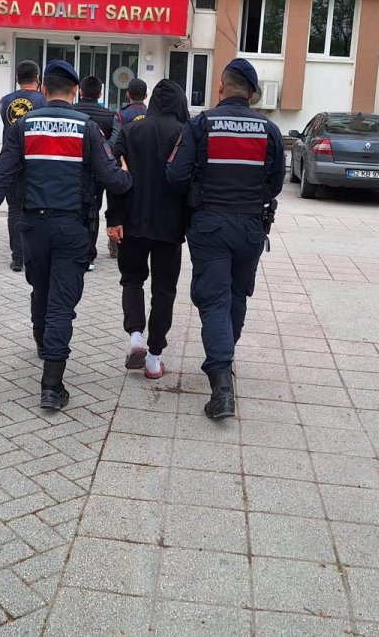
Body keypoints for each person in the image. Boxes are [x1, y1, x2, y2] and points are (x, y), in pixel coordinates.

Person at [0, 60, 131, 410]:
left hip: (32, 227)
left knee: (41, 289)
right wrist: (126, 173)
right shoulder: (87, 127)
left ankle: (43, 342)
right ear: (75, 91)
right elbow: (113, 180)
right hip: (72, 228)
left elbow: (2, 174)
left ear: (44, 90)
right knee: (62, 303)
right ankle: (51, 385)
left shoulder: (23, 125)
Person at [167, 58, 284, 419]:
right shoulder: (269, 129)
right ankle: (225, 358)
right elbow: (276, 184)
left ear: (221, 86)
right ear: (252, 93)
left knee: (214, 299)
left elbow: (176, 175)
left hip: (210, 225)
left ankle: (221, 389)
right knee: (236, 294)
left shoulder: (201, 124)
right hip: (251, 226)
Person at [106, 80, 189, 380]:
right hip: (170, 226)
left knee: (132, 280)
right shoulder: (184, 133)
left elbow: (114, 176)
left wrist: (113, 218)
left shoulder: (131, 130)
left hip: (132, 223)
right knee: (164, 290)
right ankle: (154, 359)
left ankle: (135, 338)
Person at [0, 60, 47, 273]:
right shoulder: (44, 101)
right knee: (38, 209)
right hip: (36, 162)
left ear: (17, 78)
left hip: (11, 161)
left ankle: (17, 258)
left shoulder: (5, 101)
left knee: (14, 209)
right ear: (38, 78)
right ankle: (33, 254)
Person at [72, 76, 119, 272]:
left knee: (73, 211)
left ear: (80, 91)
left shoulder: (71, 112)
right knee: (93, 211)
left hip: (74, 171)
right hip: (98, 173)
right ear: (100, 94)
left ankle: (74, 252)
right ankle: (89, 255)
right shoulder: (110, 116)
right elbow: (114, 143)